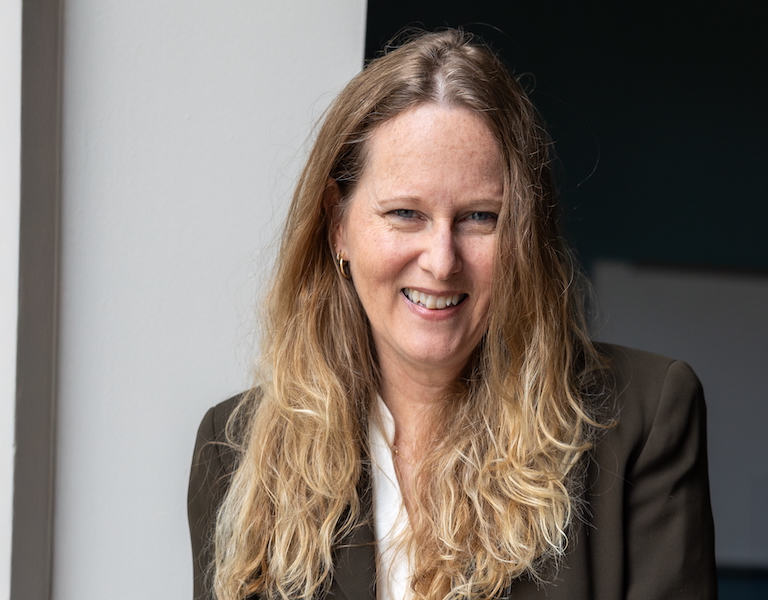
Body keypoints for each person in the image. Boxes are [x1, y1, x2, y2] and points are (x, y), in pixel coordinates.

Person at [188, 29, 716, 600]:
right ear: (338, 225)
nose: (441, 261)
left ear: (524, 233)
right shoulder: (234, 451)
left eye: (480, 217)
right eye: (406, 213)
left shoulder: (642, 419)